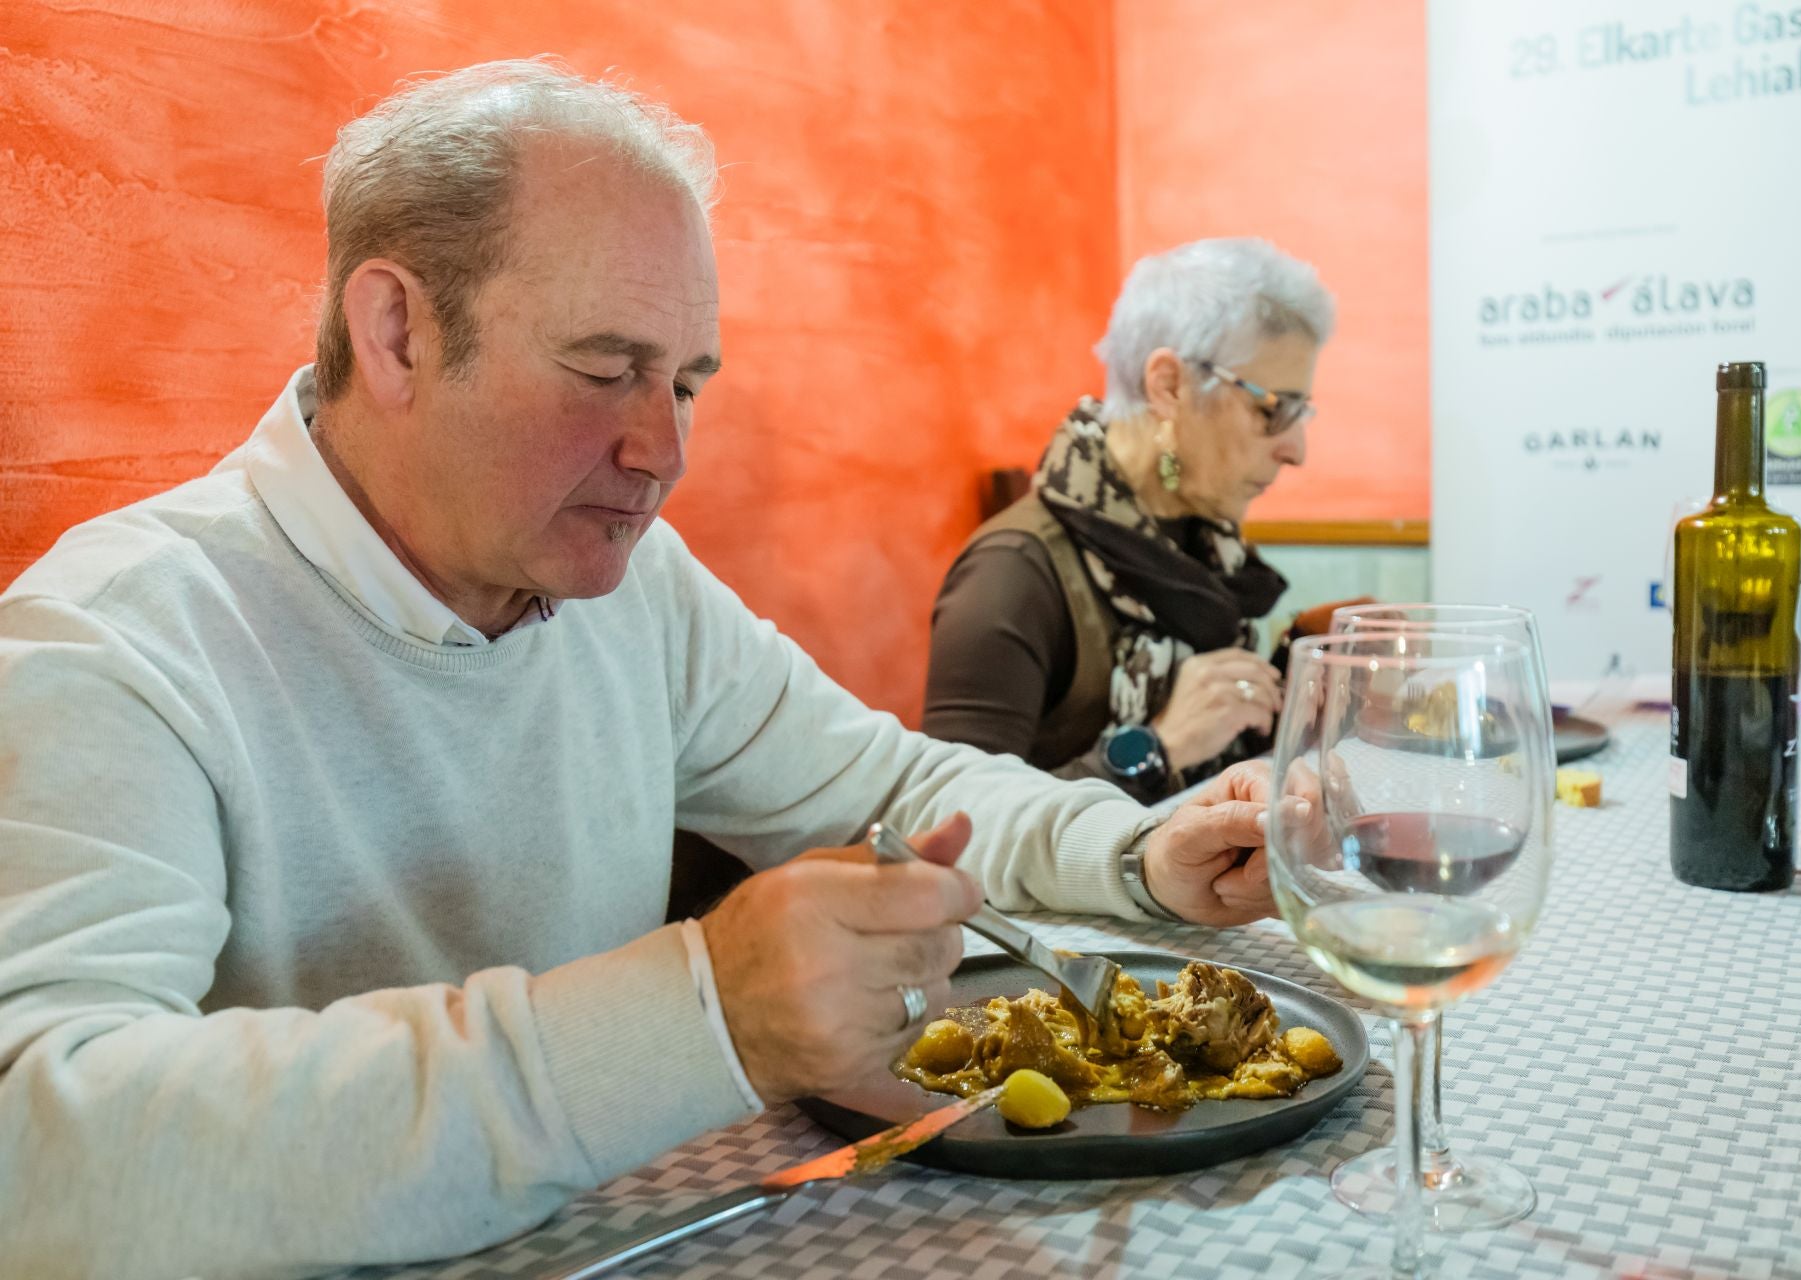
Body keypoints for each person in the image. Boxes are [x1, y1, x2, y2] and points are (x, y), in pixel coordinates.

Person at [0, 60, 1283, 1280]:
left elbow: (882, 786)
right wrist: (702, 1014)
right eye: (606, 369)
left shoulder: (629, 586)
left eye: (687, 384)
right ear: (392, 331)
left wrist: (1130, 854)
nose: (662, 450)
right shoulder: (116, 641)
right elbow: (41, 1162)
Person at [922, 239, 1356, 802]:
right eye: (1274, 408)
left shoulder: (1198, 540)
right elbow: (954, 834)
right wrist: (1158, 748)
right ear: (1169, 385)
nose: (1295, 450)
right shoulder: (1012, 573)